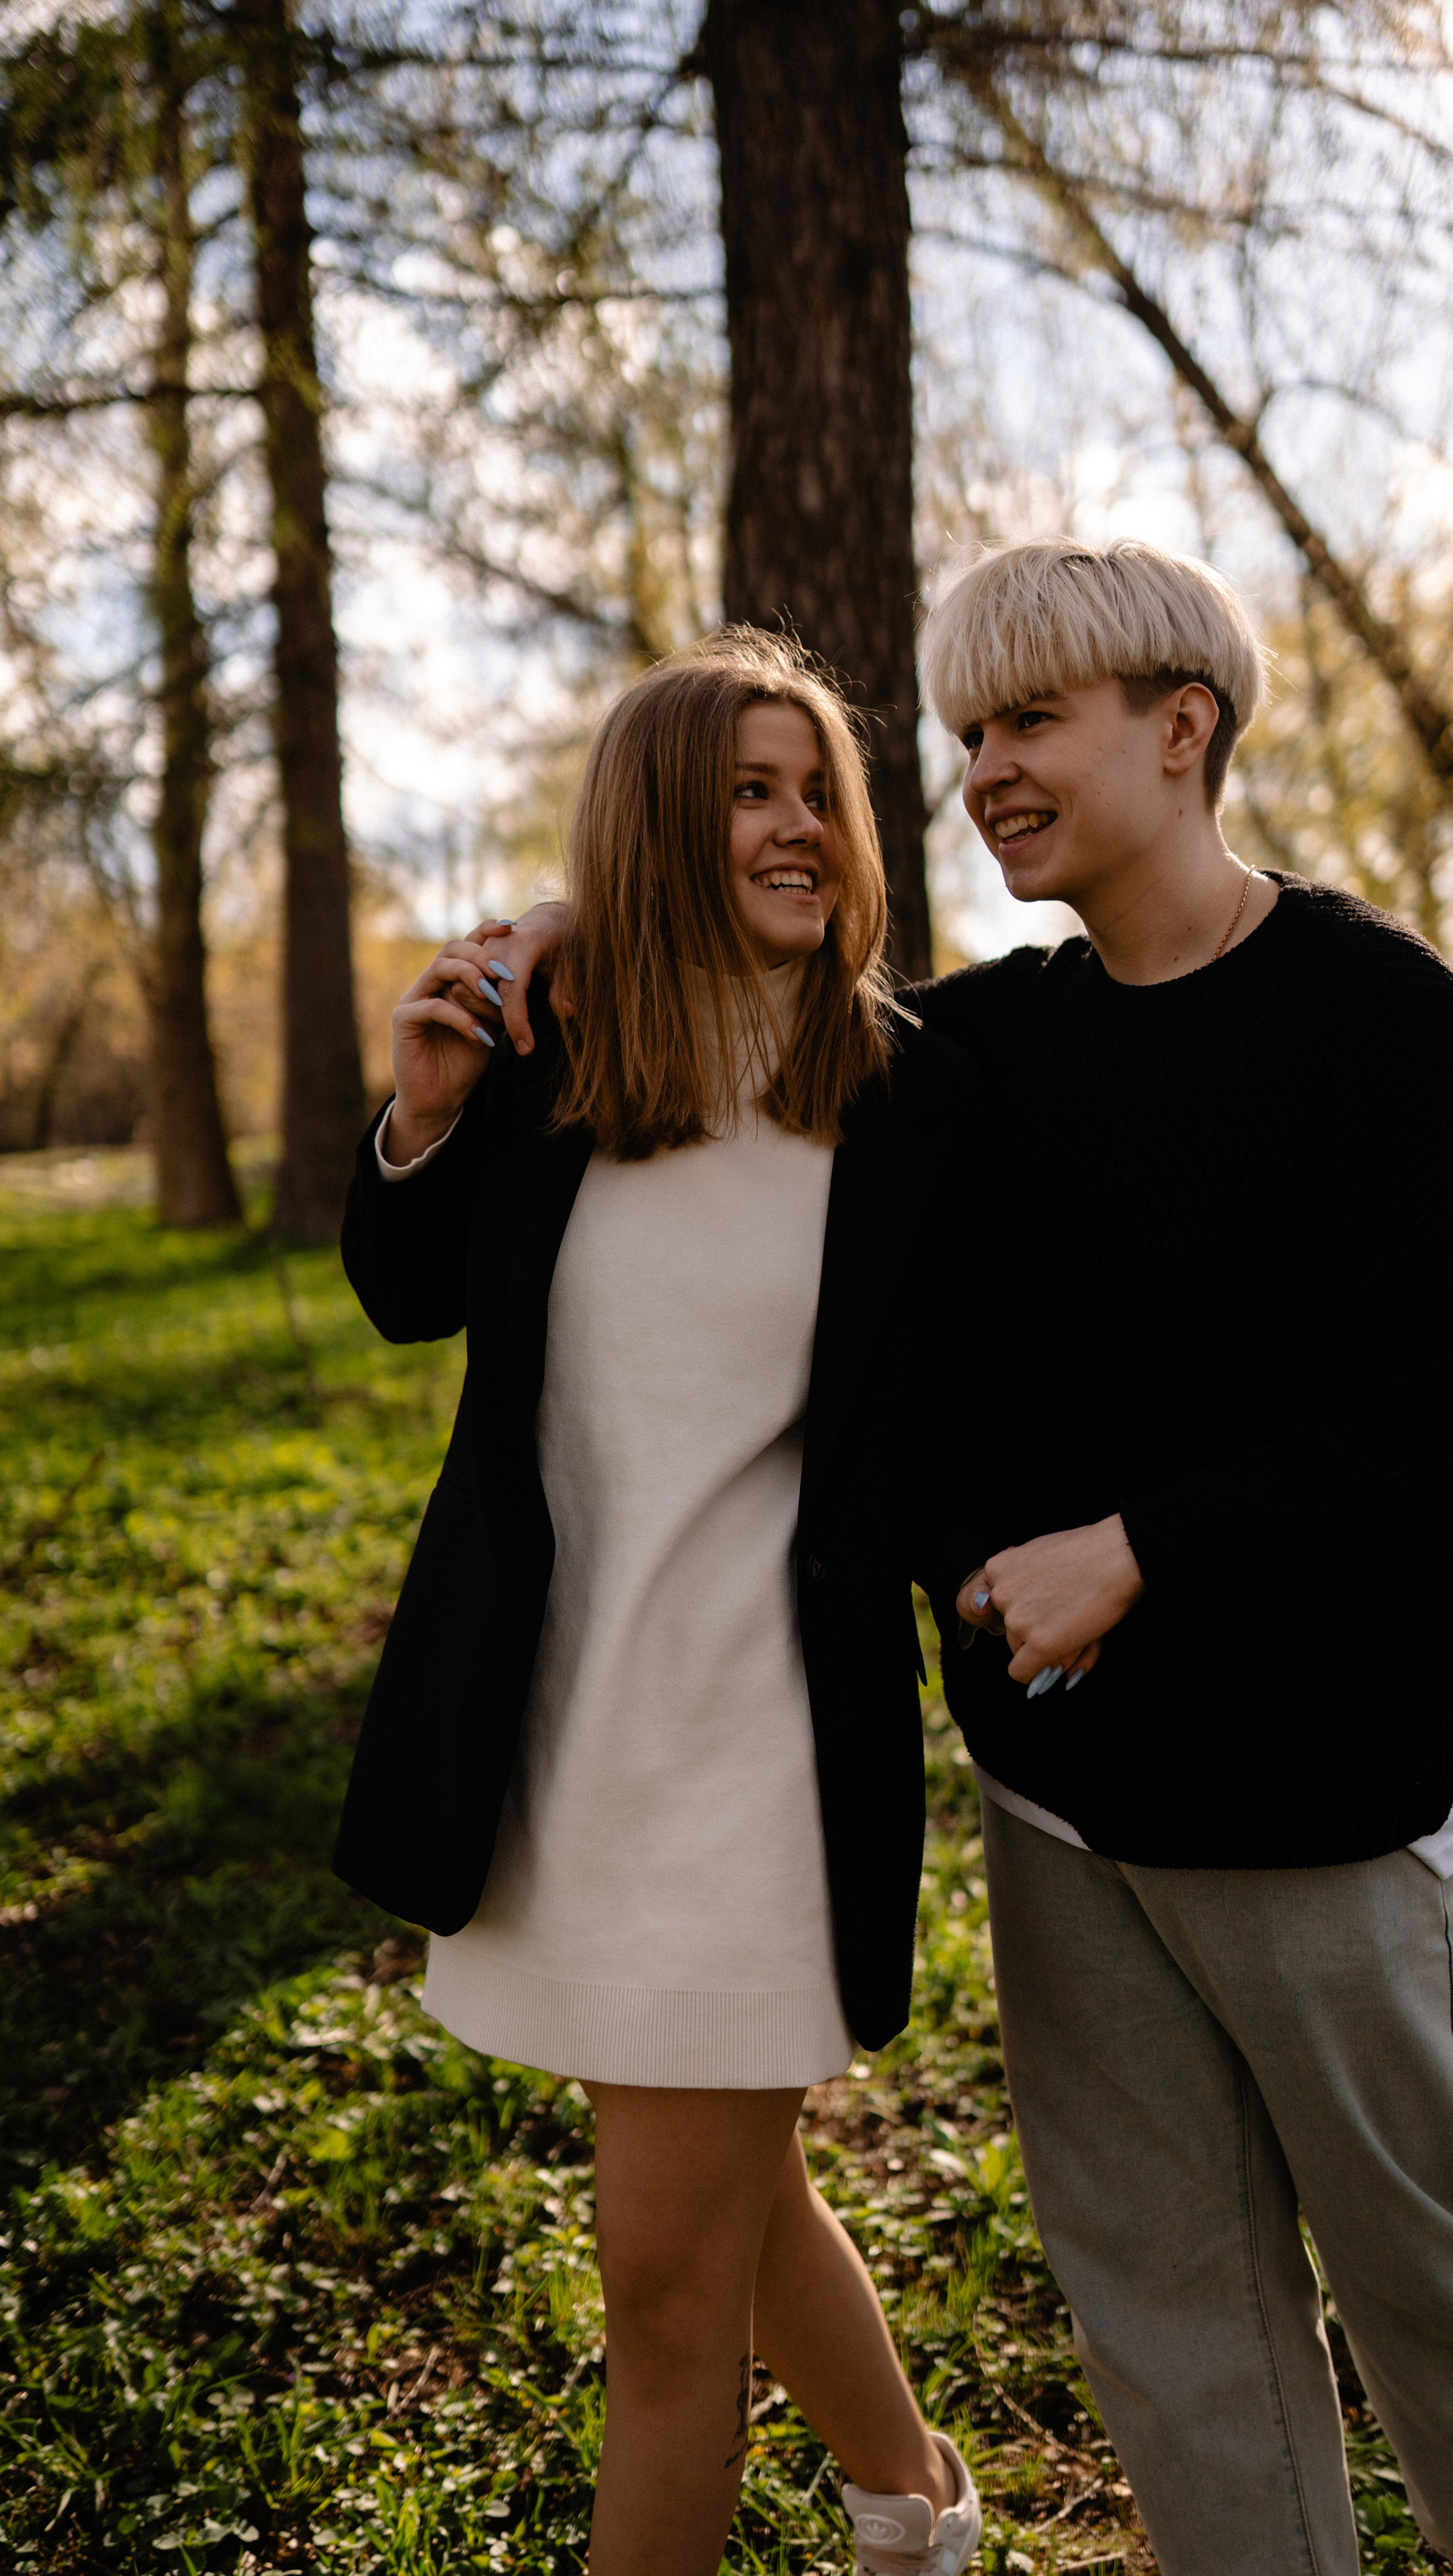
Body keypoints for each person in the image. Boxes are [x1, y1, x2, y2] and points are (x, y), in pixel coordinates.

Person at [910, 538, 1453, 2576]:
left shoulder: (1375, 1013)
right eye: (968, 730)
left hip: (1321, 1791)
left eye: (1030, 719)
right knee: (1157, 2282)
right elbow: (888, 1331)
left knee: (1421, 2247)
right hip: (1061, 1793)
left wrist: (1146, 1551)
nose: (986, 768)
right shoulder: (978, 1050)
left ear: (1184, 727)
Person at [336, 631, 984, 2576]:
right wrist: (425, 1111)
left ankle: (913, 2517)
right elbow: (407, 1295)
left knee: (663, 2292)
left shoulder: (911, 1091)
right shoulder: (553, 1058)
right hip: (561, 1735)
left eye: (817, 795)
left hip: (759, 1753)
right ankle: (919, 2511)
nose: (799, 829)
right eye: (747, 794)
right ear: (654, 831)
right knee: (731, 2196)